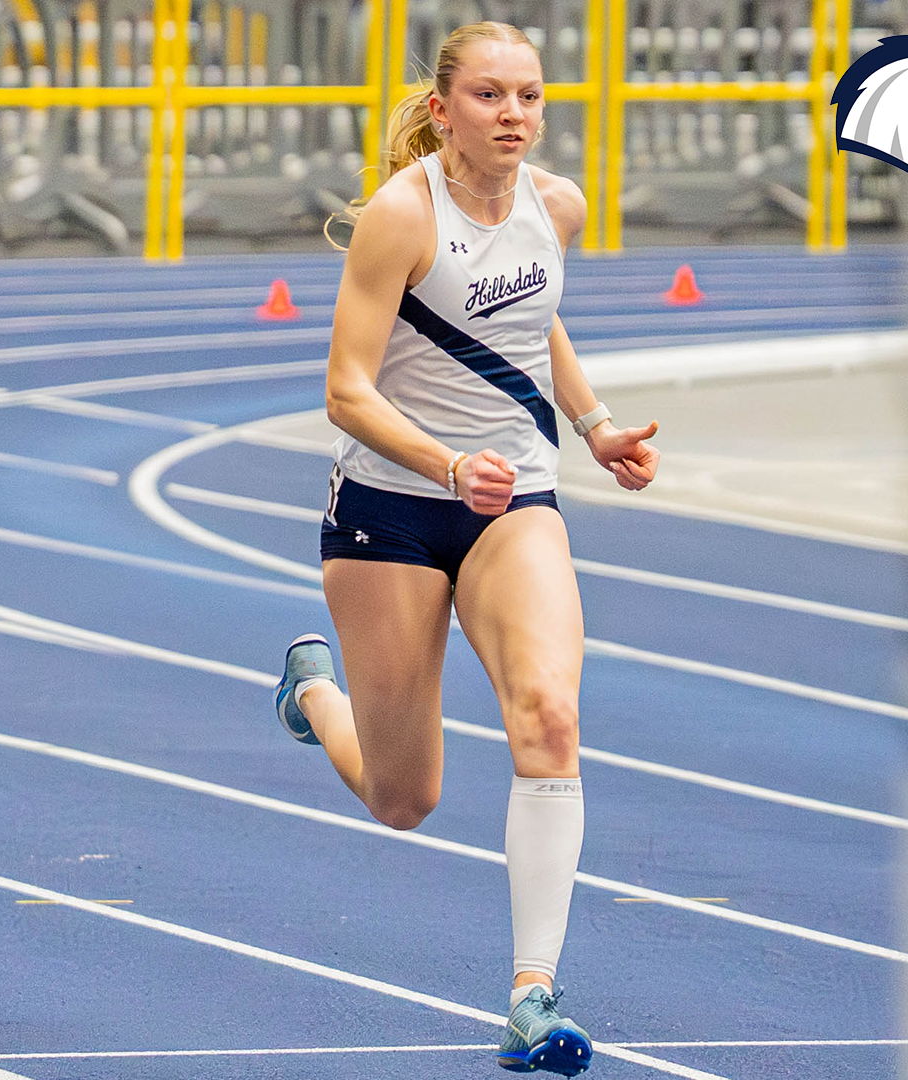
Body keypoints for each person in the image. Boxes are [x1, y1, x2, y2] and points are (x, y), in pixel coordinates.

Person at [273, 21, 658, 1076]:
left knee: (550, 715)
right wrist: (447, 466)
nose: (514, 116)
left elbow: (534, 328)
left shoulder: (555, 206)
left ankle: (532, 997)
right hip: (390, 513)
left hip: (515, 500)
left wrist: (593, 429)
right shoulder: (399, 220)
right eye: (489, 96)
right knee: (405, 800)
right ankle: (313, 695)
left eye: (529, 96)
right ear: (442, 110)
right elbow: (343, 390)